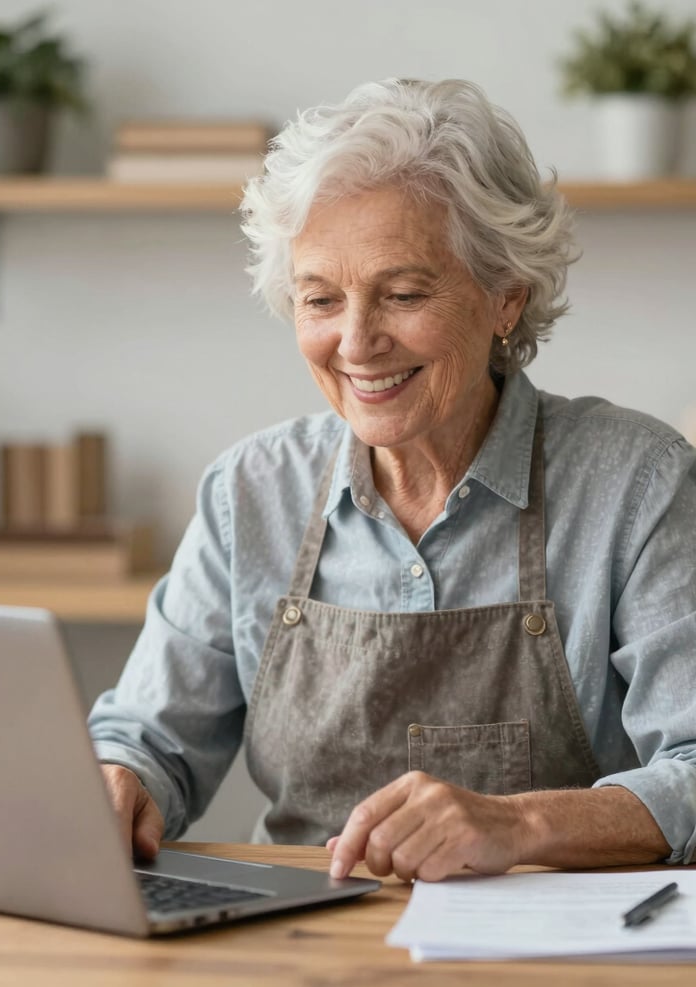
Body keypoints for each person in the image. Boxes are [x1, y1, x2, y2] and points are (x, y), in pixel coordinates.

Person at [89, 78, 696, 884]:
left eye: (403, 294)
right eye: (320, 299)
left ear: (505, 297)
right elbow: (148, 736)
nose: (356, 341)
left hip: (554, 953)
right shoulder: (250, 492)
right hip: (300, 945)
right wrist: (120, 782)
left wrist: (518, 824)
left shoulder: (638, 485)